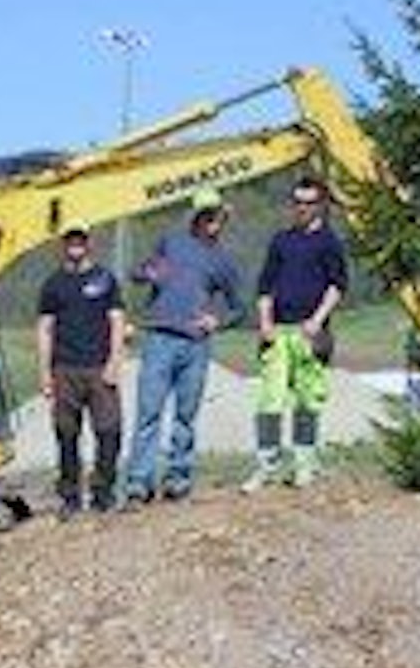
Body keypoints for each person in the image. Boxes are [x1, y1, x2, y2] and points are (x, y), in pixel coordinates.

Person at [124, 188, 244, 504]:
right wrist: (147, 272)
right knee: (149, 413)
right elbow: (137, 272)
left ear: (222, 218)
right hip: (160, 339)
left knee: (185, 416)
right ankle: (139, 481)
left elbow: (238, 308)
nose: (209, 221)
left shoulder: (224, 262)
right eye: (203, 215)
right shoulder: (171, 243)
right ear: (194, 217)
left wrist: (216, 320)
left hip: (195, 346)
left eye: (214, 215)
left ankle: (178, 478)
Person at [242, 176, 348, 492]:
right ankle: (266, 466)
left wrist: (317, 320)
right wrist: (264, 322)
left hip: (309, 333)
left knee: (307, 402)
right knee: (269, 403)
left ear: (320, 205)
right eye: (297, 202)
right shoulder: (281, 241)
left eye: (309, 202)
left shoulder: (330, 242)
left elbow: (338, 286)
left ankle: (304, 465)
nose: (302, 208)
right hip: (278, 334)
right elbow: (265, 286)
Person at [36, 218, 126, 519]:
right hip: (65, 369)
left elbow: (117, 322)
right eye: (71, 239)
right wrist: (45, 373)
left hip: (100, 368)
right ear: (64, 244)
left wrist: (115, 361)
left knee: (109, 430)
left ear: (89, 242)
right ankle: (70, 496)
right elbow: (45, 328)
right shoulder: (52, 284)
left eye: (81, 239)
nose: (76, 244)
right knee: (66, 433)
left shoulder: (105, 279)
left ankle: (103, 493)